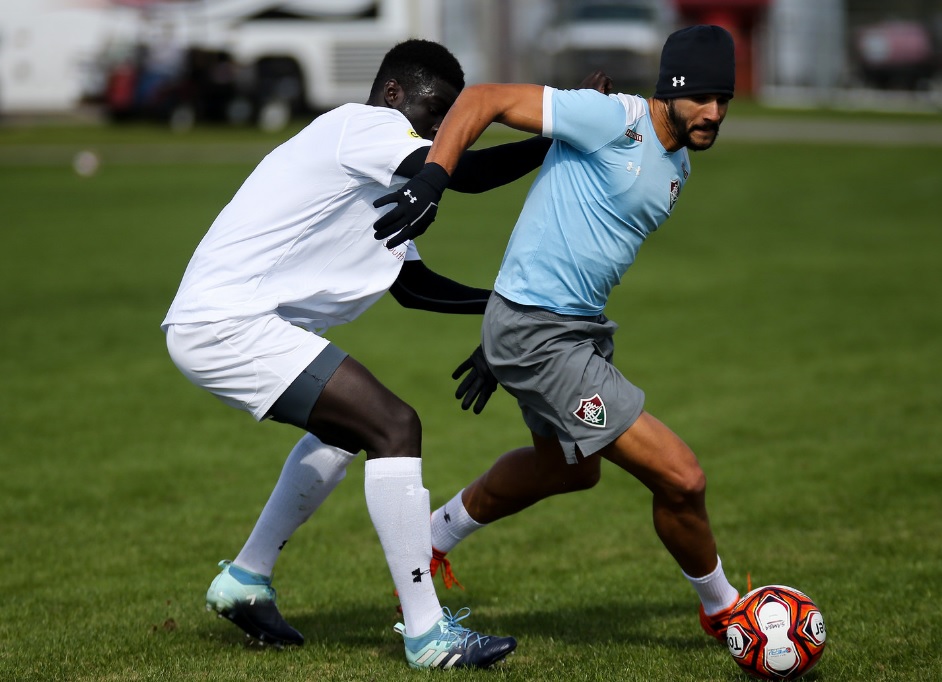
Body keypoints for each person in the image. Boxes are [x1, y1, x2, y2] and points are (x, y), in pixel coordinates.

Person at [161, 39, 597, 669]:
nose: (444, 131)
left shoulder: (382, 173)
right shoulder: (364, 128)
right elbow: (464, 174)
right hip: (226, 322)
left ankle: (247, 579)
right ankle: (426, 635)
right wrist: (562, 137)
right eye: (437, 112)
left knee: (343, 436)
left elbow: (414, 287)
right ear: (394, 95)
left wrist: (509, 309)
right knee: (395, 426)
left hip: (228, 322)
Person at [372, 26, 743, 642]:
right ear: (671, 89)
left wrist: (503, 337)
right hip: (543, 339)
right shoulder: (610, 120)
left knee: (570, 470)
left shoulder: (678, 164)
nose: (715, 113)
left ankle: (432, 539)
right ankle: (725, 609)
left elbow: (571, 240)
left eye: (724, 100)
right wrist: (432, 181)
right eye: (702, 97)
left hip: (566, 330)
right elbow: (484, 98)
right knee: (682, 477)